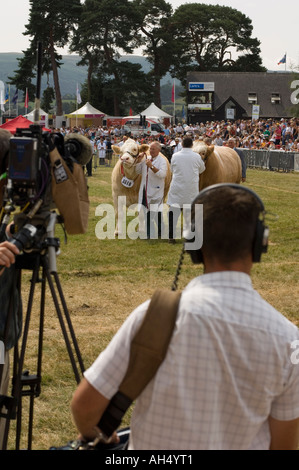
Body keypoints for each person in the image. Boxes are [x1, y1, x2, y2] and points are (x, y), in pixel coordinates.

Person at [71, 184, 299, 450]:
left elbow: (84, 406)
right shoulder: (288, 340)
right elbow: (283, 444)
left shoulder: (154, 316)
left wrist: (104, 438)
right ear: (260, 243)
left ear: (194, 243)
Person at [167, 135, 205, 243]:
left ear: (182, 144)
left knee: (173, 214)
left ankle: (171, 236)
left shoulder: (175, 156)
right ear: (192, 145)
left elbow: (172, 169)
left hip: (177, 188)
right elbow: (202, 169)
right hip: (191, 189)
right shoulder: (197, 157)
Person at [135, 141, 168, 239]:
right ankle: (149, 233)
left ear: (158, 150)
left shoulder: (162, 161)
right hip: (145, 190)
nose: (151, 151)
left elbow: (162, 175)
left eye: (153, 149)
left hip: (156, 191)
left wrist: (151, 166)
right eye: (150, 149)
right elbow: (137, 171)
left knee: (157, 212)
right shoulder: (146, 159)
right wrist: (138, 161)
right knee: (147, 212)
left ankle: (161, 230)